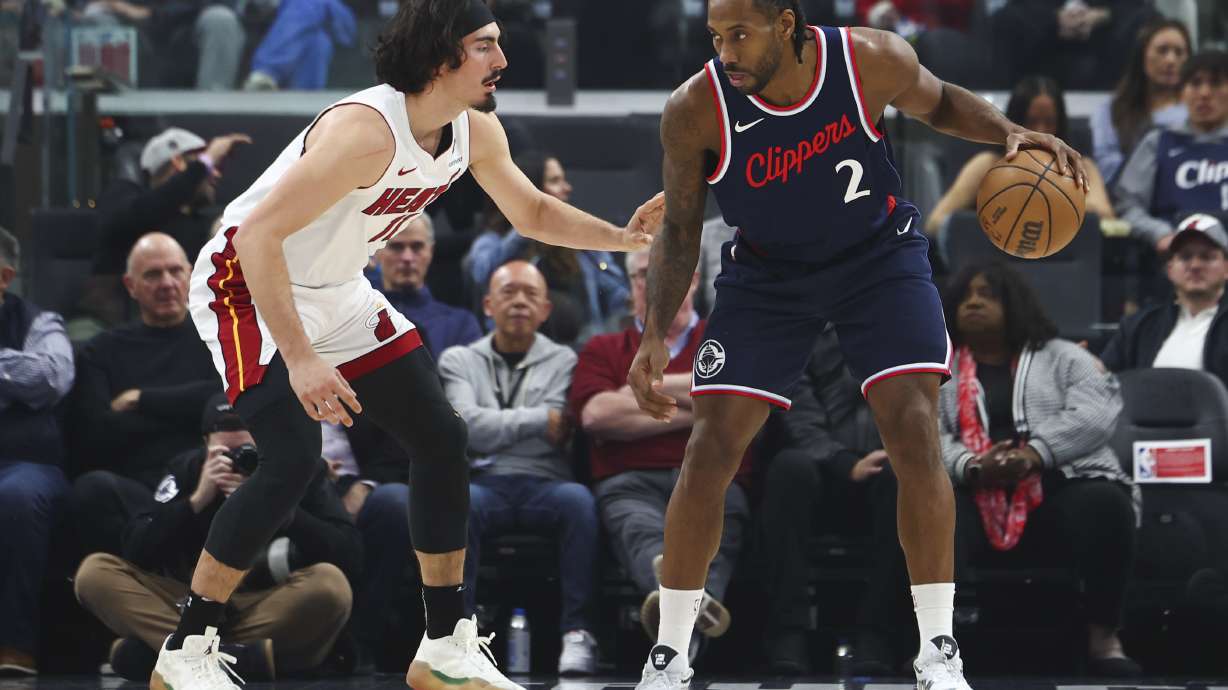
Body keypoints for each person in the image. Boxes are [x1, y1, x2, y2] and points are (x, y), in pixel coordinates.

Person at [155, 2, 662, 690]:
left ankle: (445, 644)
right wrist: (302, 358)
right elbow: (256, 237)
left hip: (334, 286)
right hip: (244, 282)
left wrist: (624, 238)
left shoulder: (475, 132)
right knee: (293, 459)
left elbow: (534, 212)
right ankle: (186, 649)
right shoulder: (362, 131)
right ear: (438, 56)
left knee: (441, 436)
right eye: (485, 46)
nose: (503, 61)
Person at [625, 2, 1090, 689]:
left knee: (913, 430)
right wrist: (655, 334)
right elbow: (684, 226)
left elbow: (940, 103)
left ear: (786, 24)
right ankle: (668, 656)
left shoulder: (869, 59)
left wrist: (1008, 130)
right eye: (716, 37)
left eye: (740, 34)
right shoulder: (695, 107)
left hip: (877, 260)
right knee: (711, 446)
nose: (726, 50)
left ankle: (938, 650)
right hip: (769, 275)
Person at [939, 262, 1141, 676]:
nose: (973, 302)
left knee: (1106, 502)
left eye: (987, 294)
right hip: (972, 492)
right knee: (929, 508)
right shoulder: (938, 370)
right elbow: (923, 431)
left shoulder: (1064, 356)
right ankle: (938, 643)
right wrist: (971, 465)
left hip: (1056, 487)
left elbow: (1097, 413)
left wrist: (1035, 453)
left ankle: (1103, 635)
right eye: (965, 297)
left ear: (1014, 304)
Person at [74, 395, 358, 681]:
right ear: (206, 443)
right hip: (189, 605)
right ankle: (246, 660)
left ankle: (171, 655)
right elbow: (136, 546)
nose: (237, 461)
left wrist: (281, 509)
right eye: (226, 452)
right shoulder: (187, 468)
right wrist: (195, 501)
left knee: (331, 585)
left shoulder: (300, 470)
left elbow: (349, 553)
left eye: (248, 452)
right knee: (94, 572)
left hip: (264, 602)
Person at [570, 248, 750, 662]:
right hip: (629, 479)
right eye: (644, 275)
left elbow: (740, 408)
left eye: (672, 273)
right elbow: (597, 415)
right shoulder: (604, 347)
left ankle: (674, 626)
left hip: (714, 475)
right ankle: (692, 621)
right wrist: (701, 404)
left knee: (717, 523)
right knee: (637, 527)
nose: (656, 284)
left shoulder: (725, 338)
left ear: (694, 282)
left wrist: (638, 393)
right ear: (632, 285)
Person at [438, 261, 599, 675]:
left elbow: (559, 424)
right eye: (509, 293)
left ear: (546, 309)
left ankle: (576, 632)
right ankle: (459, 637)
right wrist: (535, 420)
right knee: (459, 505)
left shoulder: (564, 359)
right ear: (488, 305)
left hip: (546, 482)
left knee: (579, 502)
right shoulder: (458, 360)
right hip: (484, 481)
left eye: (530, 294)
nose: (520, 302)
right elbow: (466, 429)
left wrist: (493, 423)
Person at [70, 233, 221, 557]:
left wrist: (142, 399)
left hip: (205, 479)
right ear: (130, 285)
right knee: (90, 489)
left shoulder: (217, 338)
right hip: (134, 490)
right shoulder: (101, 351)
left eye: (174, 271)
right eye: (152, 275)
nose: (166, 283)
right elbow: (95, 435)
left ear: (191, 274)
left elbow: (223, 403)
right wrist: (188, 413)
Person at [0, 227, 74, 676]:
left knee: (17, 499)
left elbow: (50, 376)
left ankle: (14, 643)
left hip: (25, 465)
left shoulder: (39, 322)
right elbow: (27, 380)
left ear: (4, 276)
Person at [85, 129, 250, 329]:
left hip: (183, 331)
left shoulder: (203, 220)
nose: (215, 173)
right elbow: (142, 212)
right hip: (108, 328)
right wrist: (204, 164)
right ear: (178, 164)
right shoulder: (124, 201)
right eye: (211, 165)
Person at [469, 151, 631, 344]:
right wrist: (530, 219)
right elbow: (480, 275)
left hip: (580, 348)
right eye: (555, 181)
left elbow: (617, 296)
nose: (567, 188)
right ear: (530, 189)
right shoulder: (491, 242)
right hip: (517, 347)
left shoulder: (582, 242)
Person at [925, 75, 1114, 240]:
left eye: (1049, 122)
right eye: (1032, 121)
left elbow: (1107, 217)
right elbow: (935, 222)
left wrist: (1054, 198)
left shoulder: (1082, 167)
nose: (1041, 131)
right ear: (1015, 121)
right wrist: (995, 220)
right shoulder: (987, 165)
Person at [1114, 49, 1228, 252]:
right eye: (1195, 83)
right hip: (1173, 259)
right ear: (1181, 93)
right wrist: (1162, 234)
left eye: (1216, 83)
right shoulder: (1158, 142)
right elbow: (1127, 204)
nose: (1204, 93)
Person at [1101, 213, 1228, 385]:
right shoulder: (1139, 326)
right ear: (1170, 269)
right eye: (1185, 257)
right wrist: (1084, 366)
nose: (1195, 265)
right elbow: (1104, 380)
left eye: (1206, 257)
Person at [1091, 18, 1190, 184]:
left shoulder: (1200, 109)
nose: (1171, 60)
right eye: (1162, 50)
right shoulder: (1111, 109)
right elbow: (1105, 167)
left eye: (1179, 53)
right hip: (1125, 199)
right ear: (1142, 55)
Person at [378, 214, 482, 359]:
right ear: (377, 252)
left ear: (430, 251)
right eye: (396, 247)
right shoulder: (356, 322)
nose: (407, 257)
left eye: (417, 247)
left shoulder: (461, 324)